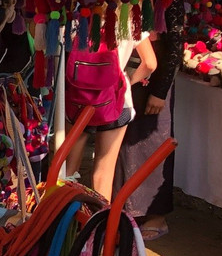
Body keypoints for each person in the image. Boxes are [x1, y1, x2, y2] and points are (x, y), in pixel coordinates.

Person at [117, 0, 184, 240]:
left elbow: (176, 44)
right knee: (126, 145)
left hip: (155, 79)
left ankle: (157, 216)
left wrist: (160, 91)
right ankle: (128, 210)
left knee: (153, 144)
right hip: (131, 71)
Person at [63, 33, 157, 199]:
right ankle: (101, 220)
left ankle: (62, 217)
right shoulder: (131, 19)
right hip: (117, 101)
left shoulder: (79, 16)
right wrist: (128, 81)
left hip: (78, 100)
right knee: (103, 172)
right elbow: (150, 63)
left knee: (67, 170)